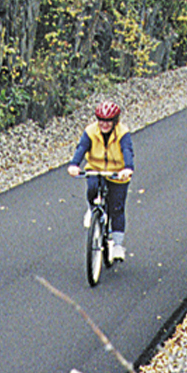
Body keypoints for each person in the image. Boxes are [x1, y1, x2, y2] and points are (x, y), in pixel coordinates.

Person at [67, 100, 135, 260]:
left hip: (117, 172)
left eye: (108, 121)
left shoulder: (122, 133)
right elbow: (81, 148)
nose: (104, 124)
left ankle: (117, 245)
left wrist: (128, 168)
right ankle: (92, 210)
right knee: (92, 188)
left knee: (117, 208)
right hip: (96, 168)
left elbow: (127, 150)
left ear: (115, 121)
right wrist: (74, 164)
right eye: (101, 120)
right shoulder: (90, 131)